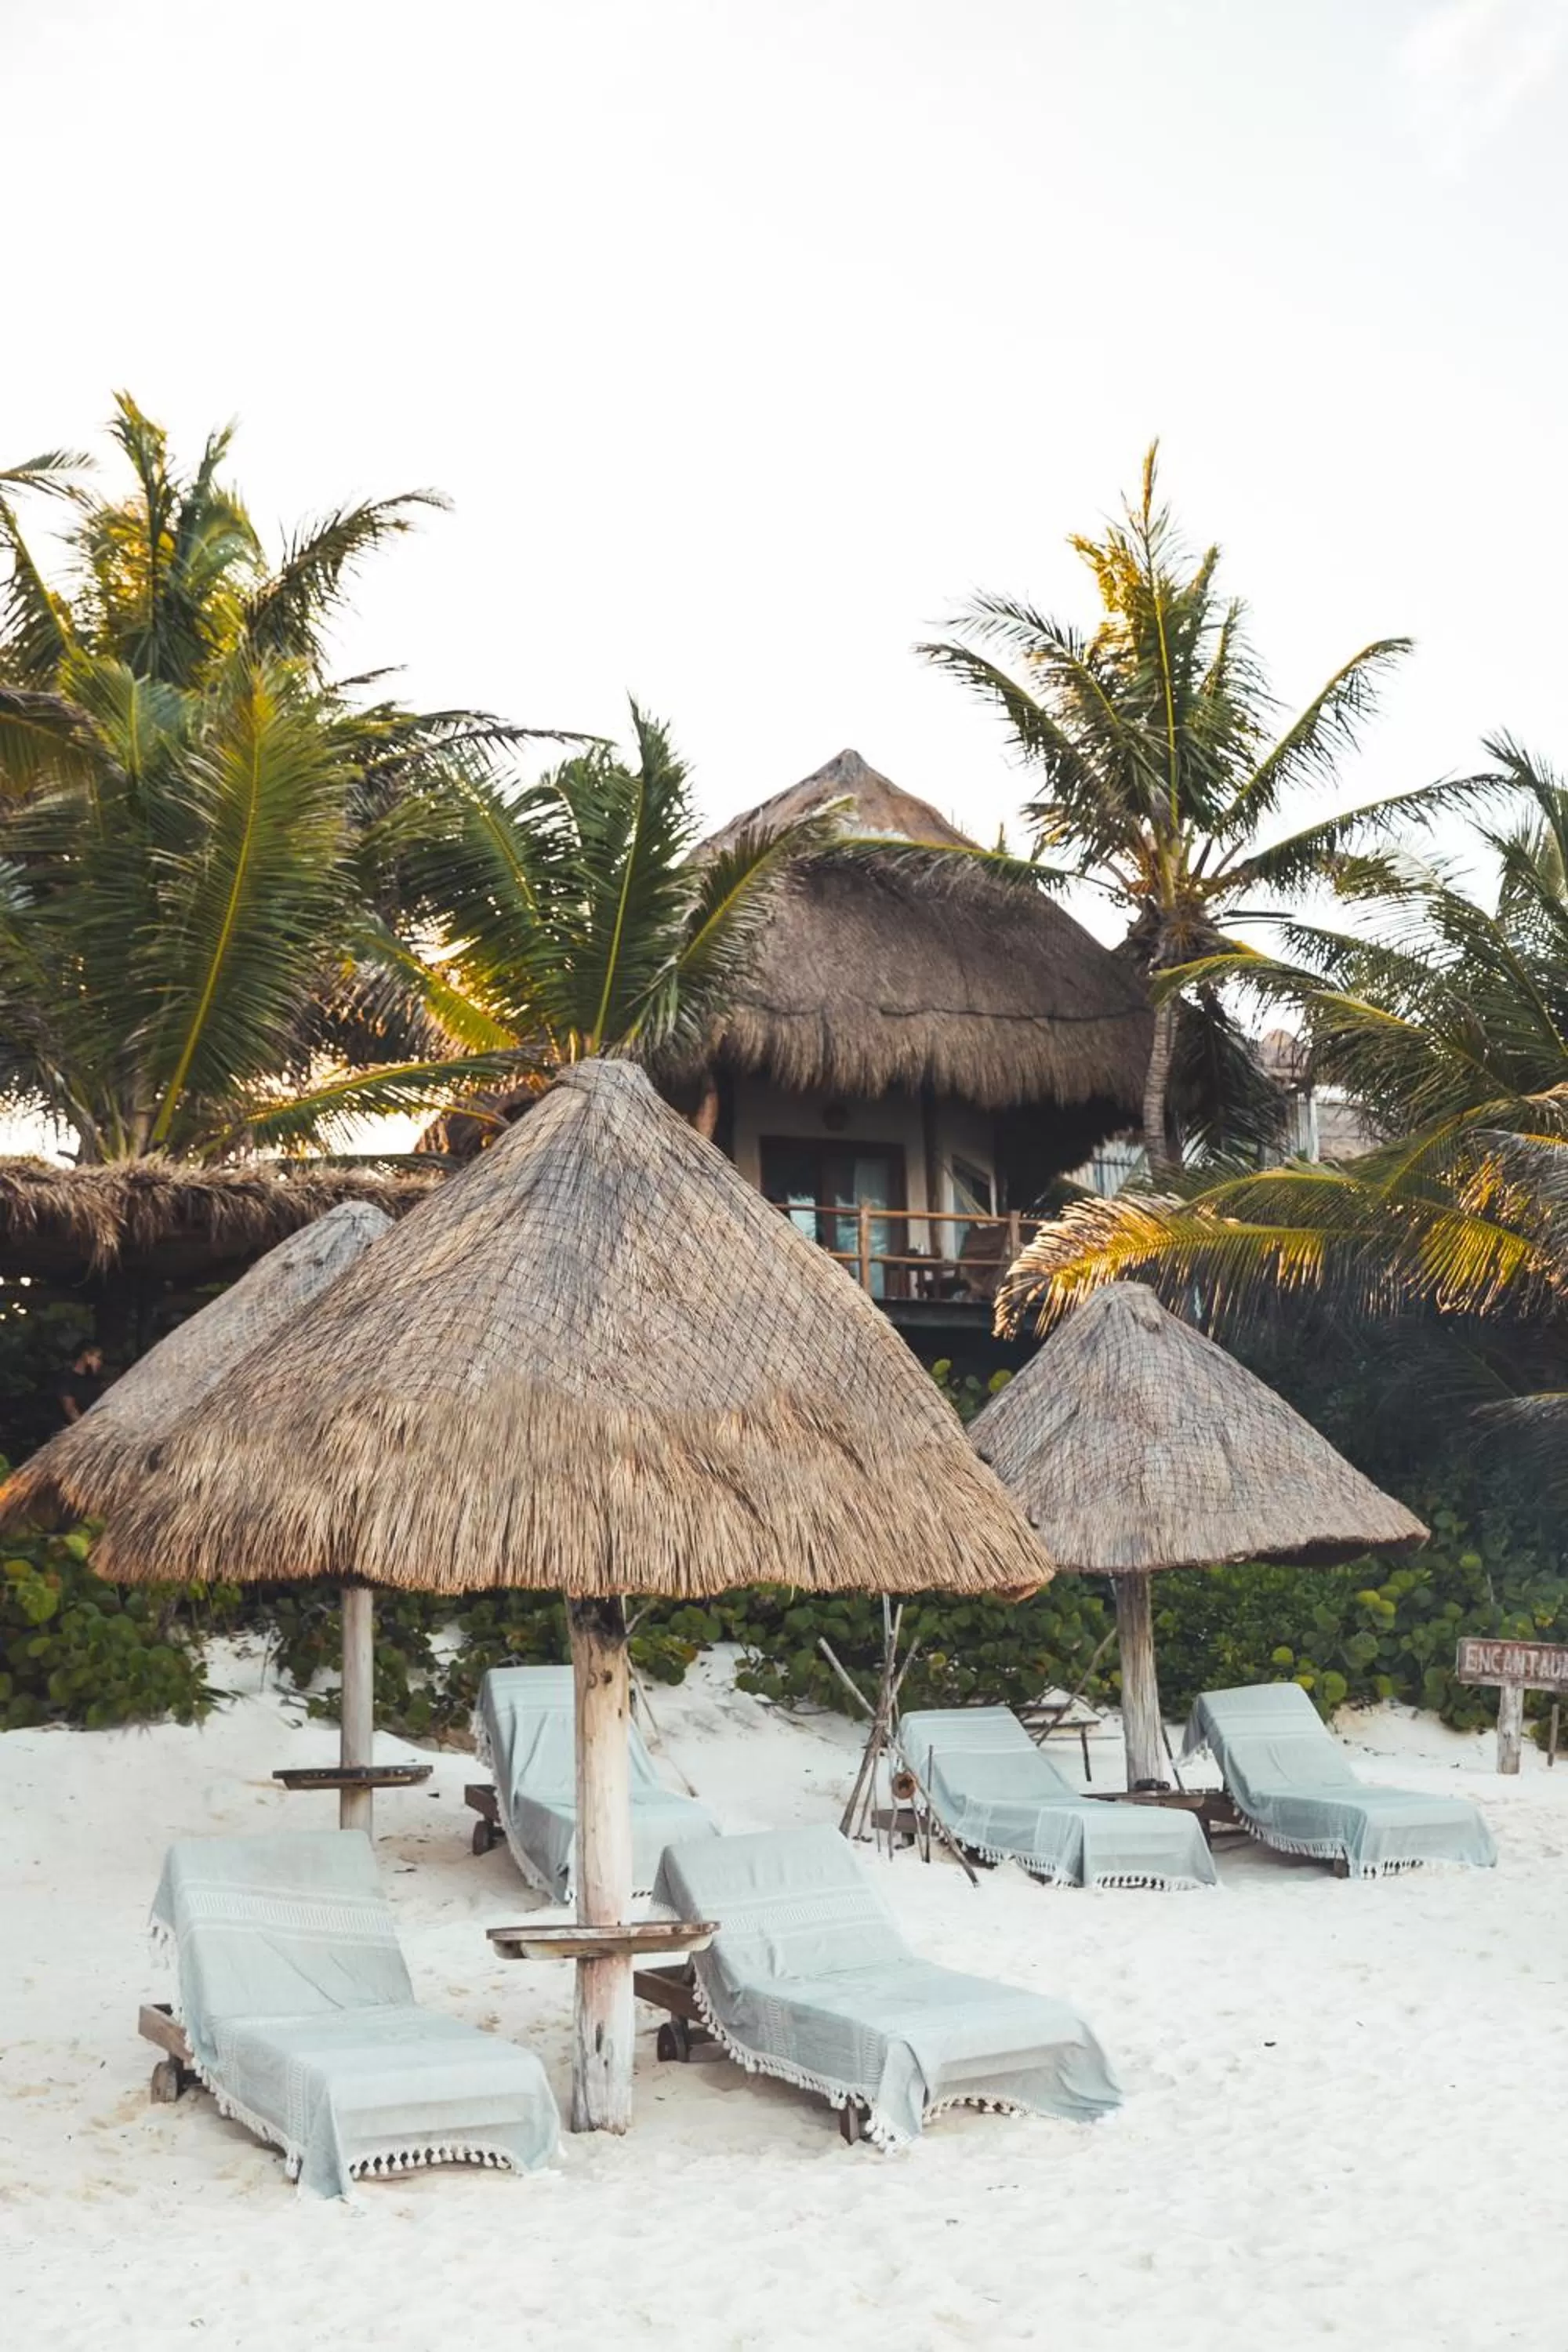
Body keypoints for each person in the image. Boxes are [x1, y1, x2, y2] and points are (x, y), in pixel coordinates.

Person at [53, 1345, 107, 1426]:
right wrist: (87, 1427)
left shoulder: (92, 1378)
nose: (100, 1363)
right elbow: (71, 1411)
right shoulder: (66, 1380)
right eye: (98, 1358)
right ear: (87, 1356)